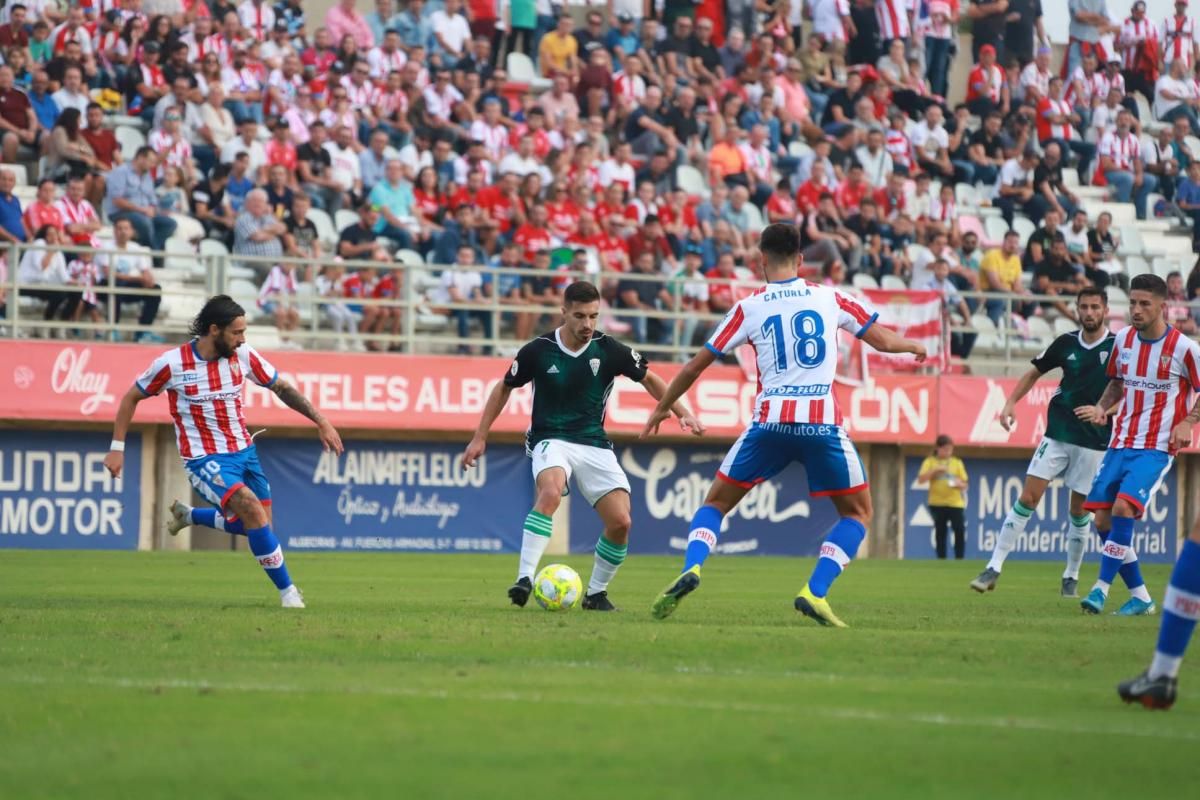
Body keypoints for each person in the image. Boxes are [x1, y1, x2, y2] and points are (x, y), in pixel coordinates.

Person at [641, 223, 927, 626]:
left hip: (769, 423)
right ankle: (815, 591)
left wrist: (662, 408)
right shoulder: (830, 298)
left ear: (760, 259)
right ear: (801, 259)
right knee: (858, 514)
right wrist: (913, 345)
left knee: (715, 504)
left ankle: (694, 567)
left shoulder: (749, 306)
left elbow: (693, 366)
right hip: (820, 424)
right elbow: (880, 340)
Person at [459, 281, 703, 612]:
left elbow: (651, 378)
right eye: (579, 316)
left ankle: (595, 594)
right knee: (550, 492)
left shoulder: (610, 349)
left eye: (593, 316)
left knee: (621, 523)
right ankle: (524, 579)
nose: (587, 324)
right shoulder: (538, 350)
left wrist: (682, 413)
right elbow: (504, 388)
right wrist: (480, 436)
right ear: (563, 312)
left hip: (594, 443)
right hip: (550, 438)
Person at [105, 295, 344, 608]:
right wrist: (117, 448)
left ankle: (189, 516)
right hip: (204, 459)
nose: (242, 339)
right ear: (214, 330)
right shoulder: (172, 364)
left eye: (244, 332)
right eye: (237, 332)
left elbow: (281, 387)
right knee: (253, 512)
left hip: (244, 452)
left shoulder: (242, 355)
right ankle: (289, 594)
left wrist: (321, 420)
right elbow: (130, 399)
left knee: (257, 527)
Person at [970, 289, 1116, 596]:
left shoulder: (1118, 348)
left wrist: (1105, 410)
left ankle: (1071, 576)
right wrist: (1010, 402)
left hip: (1094, 442)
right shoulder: (1065, 343)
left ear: (1105, 309)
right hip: (1058, 434)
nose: (1088, 312)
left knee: (1079, 512)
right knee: (1028, 498)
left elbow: (1128, 390)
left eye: (1094, 307)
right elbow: (1033, 372)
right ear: (1077, 310)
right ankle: (993, 567)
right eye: (1083, 307)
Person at [1075, 273, 1200, 616]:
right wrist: (1102, 408)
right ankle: (1142, 597)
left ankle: (1099, 591)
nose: (1137, 309)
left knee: (1121, 510)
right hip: (1119, 443)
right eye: (1132, 302)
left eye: (1145, 303)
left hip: (1156, 448)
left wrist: (1188, 422)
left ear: (1163, 306)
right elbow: (1117, 383)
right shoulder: (1124, 340)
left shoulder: (1184, 348)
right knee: (1101, 522)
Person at [104, 146, 177, 258]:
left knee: (169, 223)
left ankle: (149, 250)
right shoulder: (120, 172)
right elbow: (117, 200)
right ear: (141, 158)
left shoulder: (147, 176)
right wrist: (142, 210)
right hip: (121, 213)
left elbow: (152, 199)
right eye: (151, 161)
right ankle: (155, 257)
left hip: (144, 213)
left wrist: (153, 208)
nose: (153, 165)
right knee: (145, 223)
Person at [919, 435, 969, 560]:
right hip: (937, 503)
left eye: (950, 449)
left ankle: (960, 558)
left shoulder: (956, 462)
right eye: (945, 449)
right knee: (940, 532)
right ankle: (941, 559)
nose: (948, 452)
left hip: (955, 503)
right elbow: (921, 479)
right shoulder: (930, 462)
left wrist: (959, 484)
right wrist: (935, 471)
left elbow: (965, 484)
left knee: (959, 529)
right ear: (938, 448)